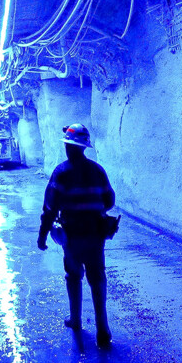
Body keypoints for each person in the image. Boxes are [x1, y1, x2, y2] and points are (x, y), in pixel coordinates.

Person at [37, 123, 116, 344]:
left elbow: (50, 209)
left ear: (68, 147)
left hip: (72, 235)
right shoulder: (97, 170)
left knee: (73, 276)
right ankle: (103, 329)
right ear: (84, 147)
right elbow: (110, 200)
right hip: (95, 233)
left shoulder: (61, 173)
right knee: (97, 277)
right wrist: (93, 208)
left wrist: (42, 235)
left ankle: (76, 319)